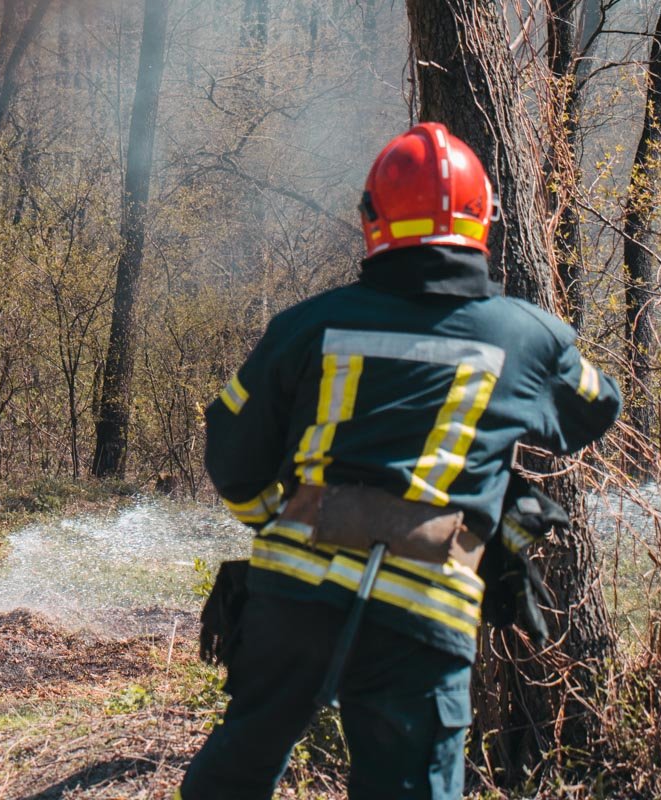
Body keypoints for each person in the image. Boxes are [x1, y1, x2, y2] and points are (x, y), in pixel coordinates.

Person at [178, 123, 622, 800]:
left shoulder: (307, 326)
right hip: (422, 617)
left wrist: (275, 518)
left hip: (293, 601)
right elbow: (598, 407)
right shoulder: (530, 337)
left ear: (372, 220)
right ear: (485, 221)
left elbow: (231, 450)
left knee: (234, 775)